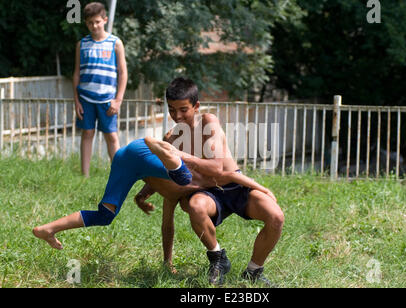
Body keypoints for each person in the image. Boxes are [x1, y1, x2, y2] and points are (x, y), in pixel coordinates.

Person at [32, 136, 276, 271]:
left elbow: (164, 218)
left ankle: (48, 229)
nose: (190, 208)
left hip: (127, 158)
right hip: (146, 152)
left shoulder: (172, 195)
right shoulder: (196, 185)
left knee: (104, 216)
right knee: (184, 176)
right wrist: (261, 187)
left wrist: (141, 197)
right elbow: (230, 174)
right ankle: (164, 147)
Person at [135, 77, 284, 286]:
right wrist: (144, 192)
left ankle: (253, 271)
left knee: (276, 216)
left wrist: (180, 155)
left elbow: (216, 167)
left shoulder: (208, 121)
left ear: (196, 106)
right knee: (194, 205)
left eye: (183, 109)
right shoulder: (172, 138)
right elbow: (165, 173)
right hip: (207, 194)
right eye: (171, 109)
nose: (177, 116)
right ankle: (218, 258)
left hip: (235, 186)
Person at [73, 2, 128, 177]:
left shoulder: (115, 43)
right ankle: (85, 175)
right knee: (87, 133)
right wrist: (76, 101)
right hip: (86, 99)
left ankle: (119, 175)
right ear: (86, 23)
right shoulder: (82, 44)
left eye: (97, 21)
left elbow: (123, 72)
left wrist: (118, 99)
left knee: (111, 136)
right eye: (90, 23)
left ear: (104, 20)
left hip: (107, 100)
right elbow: (76, 74)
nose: (94, 26)